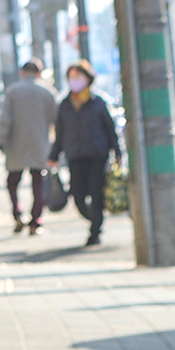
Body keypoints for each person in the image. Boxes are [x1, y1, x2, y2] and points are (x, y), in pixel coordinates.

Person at [51, 63, 120, 248]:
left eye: (79, 77)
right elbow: (60, 132)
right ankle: (95, 217)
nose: (75, 81)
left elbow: (110, 129)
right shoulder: (64, 105)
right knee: (78, 193)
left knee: (96, 191)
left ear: (88, 79)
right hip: (74, 155)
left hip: (97, 154)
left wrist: (118, 152)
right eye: (72, 77)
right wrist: (54, 155)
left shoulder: (98, 102)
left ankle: (95, 230)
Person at [0, 60, 60, 234]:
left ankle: (17, 212)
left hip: (16, 143)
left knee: (13, 181)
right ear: (39, 73)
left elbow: (5, 119)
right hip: (40, 143)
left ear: (22, 72)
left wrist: (1, 140)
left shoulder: (13, 91)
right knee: (39, 183)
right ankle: (35, 220)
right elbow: (56, 119)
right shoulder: (48, 92)